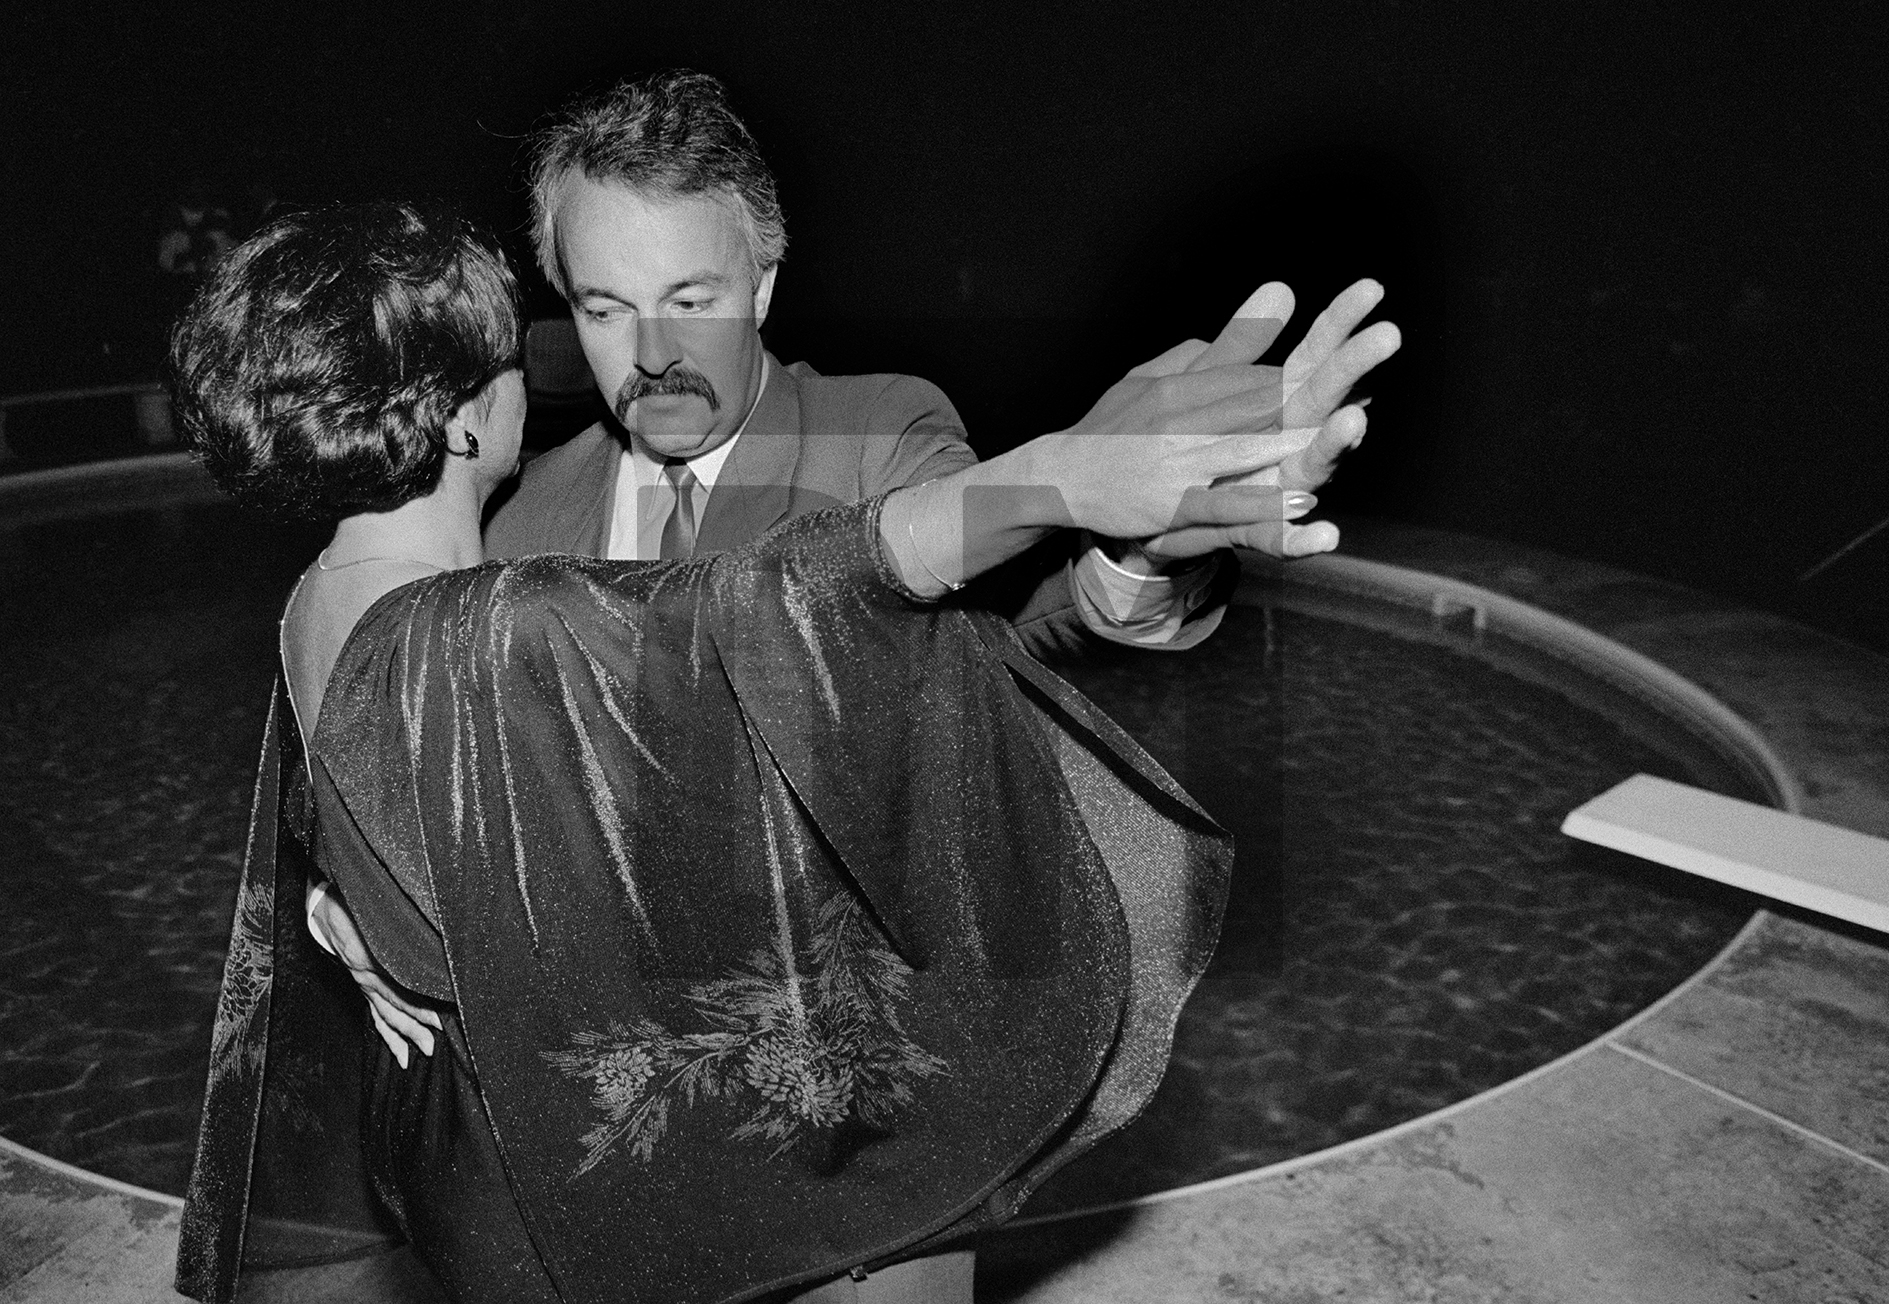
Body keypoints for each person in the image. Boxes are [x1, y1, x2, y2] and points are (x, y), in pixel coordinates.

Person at [170, 201, 1364, 1304]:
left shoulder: (313, 602)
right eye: (567, 321)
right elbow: (774, 604)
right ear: (469, 415)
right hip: (609, 1179)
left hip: (469, 1156)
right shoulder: (491, 617)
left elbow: (361, 793)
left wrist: (351, 913)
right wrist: (1054, 474)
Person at [488, 69, 1399, 658]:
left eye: (691, 303)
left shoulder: (883, 437)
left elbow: (1012, 610)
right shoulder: (519, 517)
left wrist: (1131, 552)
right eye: (605, 310)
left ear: (762, 287)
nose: (651, 357)